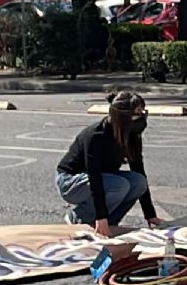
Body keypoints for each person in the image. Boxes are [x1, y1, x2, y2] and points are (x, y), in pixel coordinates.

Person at [56, 92, 162, 237]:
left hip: (104, 178)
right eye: (137, 114)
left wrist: (150, 215)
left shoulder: (131, 135)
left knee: (138, 182)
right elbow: (94, 178)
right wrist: (101, 216)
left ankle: (109, 224)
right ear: (122, 117)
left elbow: (139, 170)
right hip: (70, 181)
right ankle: (79, 218)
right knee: (119, 185)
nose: (141, 118)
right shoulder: (96, 135)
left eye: (143, 113)